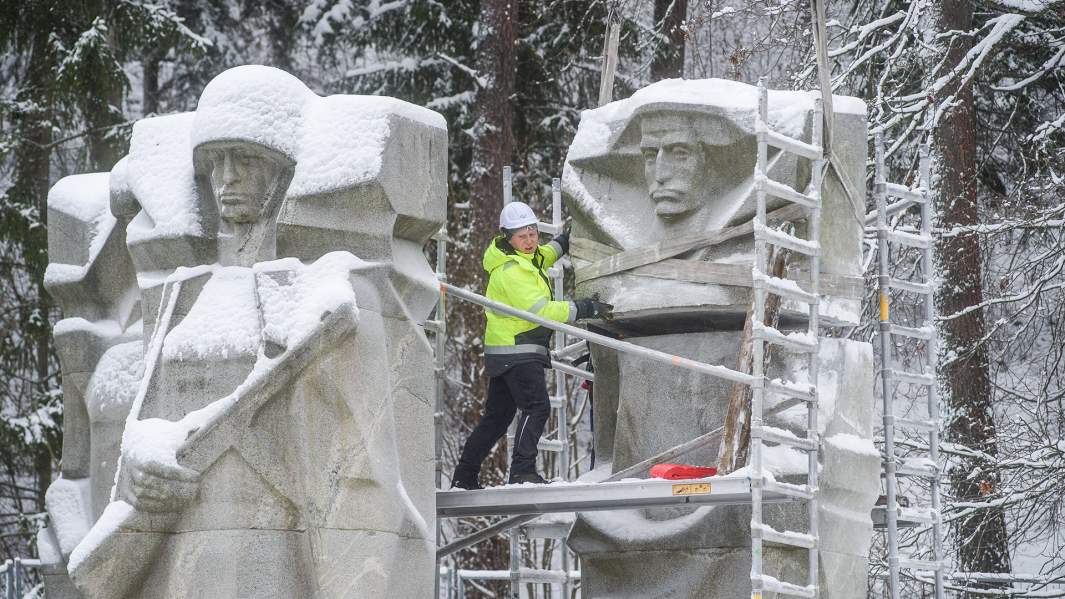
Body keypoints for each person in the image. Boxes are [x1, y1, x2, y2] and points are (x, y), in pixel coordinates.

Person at [452, 201, 610, 489]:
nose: (530, 242)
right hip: (518, 349)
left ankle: (464, 475)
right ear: (507, 238)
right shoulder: (512, 271)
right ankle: (522, 470)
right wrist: (584, 308)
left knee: (497, 419)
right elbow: (541, 311)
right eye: (522, 237)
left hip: (507, 350)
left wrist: (564, 240)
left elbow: (544, 256)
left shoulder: (526, 258)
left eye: (533, 234)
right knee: (537, 407)